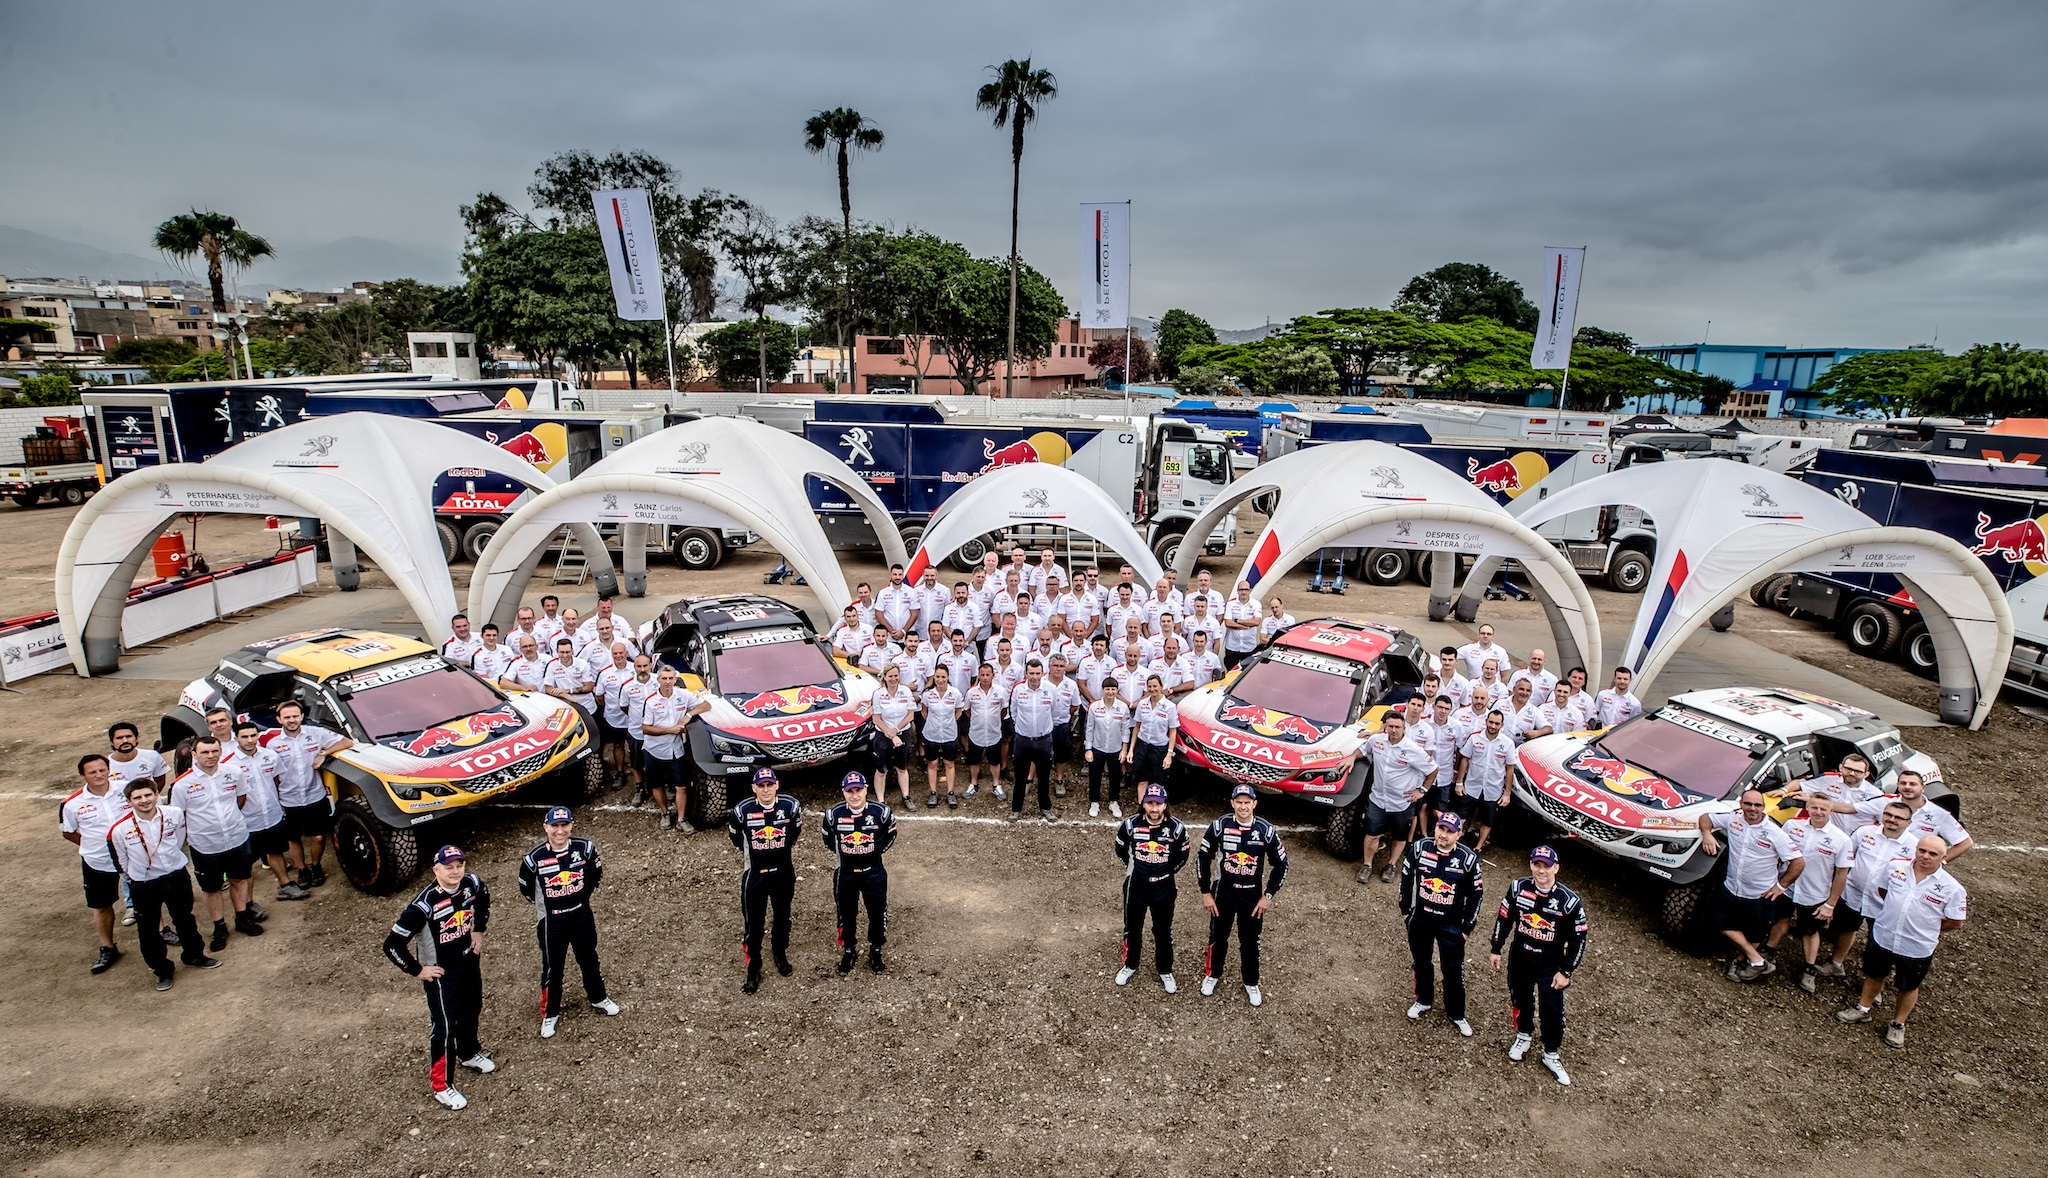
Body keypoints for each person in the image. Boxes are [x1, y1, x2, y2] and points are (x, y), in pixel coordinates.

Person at [383, 845, 494, 1109]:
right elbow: (392, 945)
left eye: (459, 865)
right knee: (444, 1028)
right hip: (442, 975)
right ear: (436, 870)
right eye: (449, 867)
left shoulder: (471, 883)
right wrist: (417, 969)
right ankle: (441, 1085)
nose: (456, 871)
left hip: (468, 962)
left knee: (471, 1010)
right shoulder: (422, 905)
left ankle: (467, 1053)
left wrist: (479, 930)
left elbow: (483, 898)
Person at [1835, 835, 1967, 1049]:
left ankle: (1898, 1024)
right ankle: (1863, 1008)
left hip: (1916, 946)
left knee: (1908, 985)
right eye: (1922, 850)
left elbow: (1955, 921)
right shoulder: (1895, 868)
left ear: (1943, 857)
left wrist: (1926, 928)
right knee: (1874, 975)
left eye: (1933, 854)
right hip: (1884, 935)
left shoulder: (1952, 888)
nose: (1925, 856)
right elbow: (1882, 890)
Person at [517, 807, 621, 1039]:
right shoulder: (533, 859)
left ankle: (598, 997)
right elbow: (526, 889)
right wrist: (548, 908)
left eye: (564, 826)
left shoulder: (585, 848)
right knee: (553, 968)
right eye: (555, 826)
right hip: (552, 921)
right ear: (546, 827)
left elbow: (596, 875)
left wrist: (580, 897)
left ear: (571, 826)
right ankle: (550, 1013)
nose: (560, 831)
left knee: (589, 958)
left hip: (581, 914)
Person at [107, 778, 218, 990]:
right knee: (148, 929)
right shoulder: (120, 830)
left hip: (175, 875)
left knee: (185, 918)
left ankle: (194, 955)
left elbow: (178, 839)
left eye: (148, 795)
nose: (144, 800)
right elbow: (122, 861)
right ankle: (162, 970)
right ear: (129, 801)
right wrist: (137, 877)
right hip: (144, 883)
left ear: (157, 794)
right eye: (137, 797)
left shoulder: (174, 814)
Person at [1489, 845, 1586, 1086]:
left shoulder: (1569, 901)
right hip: (1520, 958)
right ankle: (1523, 1035)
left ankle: (1551, 1053)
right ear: (1531, 865)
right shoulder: (1517, 887)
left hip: (1550, 964)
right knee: (1520, 999)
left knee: (1552, 1011)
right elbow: (1504, 918)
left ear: (1556, 867)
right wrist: (1496, 948)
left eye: (1546, 865)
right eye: (1536, 864)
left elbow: (1579, 938)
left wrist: (1566, 970)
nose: (1541, 870)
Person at [1698, 789, 1805, 981]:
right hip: (1731, 887)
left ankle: (1741, 961)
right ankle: (1757, 960)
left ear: (1763, 808)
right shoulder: (1733, 819)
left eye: (1757, 805)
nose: (1752, 809)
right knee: (1719, 923)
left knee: (1755, 935)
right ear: (1741, 804)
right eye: (1748, 804)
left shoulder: (1774, 833)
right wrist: (1707, 833)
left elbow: (1798, 862)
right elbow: (1706, 817)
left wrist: (1780, 887)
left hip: (1759, 894)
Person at [1197, 784, 1288, 1007]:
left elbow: (1282, 864)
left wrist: (1268, 895)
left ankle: (1251, 982)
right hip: (1223, 892)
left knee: (1250, 941)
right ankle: (1213, 974)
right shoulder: (1219, 826)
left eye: (1247, 802)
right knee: (1218, 937)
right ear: (1232, 803)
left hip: (1252, 895)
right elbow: (1202, 858)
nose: (1243, 806)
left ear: (1255, 804)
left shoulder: (1266, 830)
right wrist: (1206, 892)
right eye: (1239, 802)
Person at [170, 736, 262, 950]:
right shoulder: (182, 785)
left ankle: (242, 918)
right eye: (204, 752)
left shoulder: (234, 773)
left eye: (214, 751)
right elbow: (178, 815)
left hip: (237, 838)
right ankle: (219, 926)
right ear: (194, 754)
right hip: (205, 845)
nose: (210, 756)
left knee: (239, 879)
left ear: (221, 751)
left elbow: (241, 798)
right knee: (211, 889)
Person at [1400, 812, 1485, 1036]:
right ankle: (1423, 1000)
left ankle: (1457, 1014)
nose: (1443, 835)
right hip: (1421, 919)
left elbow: (1477, 895)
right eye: (1441, 829)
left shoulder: (1468, 859)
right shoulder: (1420, 848)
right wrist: (1405, 911)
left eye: (1449, 831)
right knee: (1421, 962)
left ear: (1459, 834)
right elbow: (1406, 877)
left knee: (1453, 970)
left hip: (1451, 924)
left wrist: (1467, 927)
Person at [1821, 800, 1916, 980]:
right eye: (1888, 814)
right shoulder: (1865, 832)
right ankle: (1836, 963)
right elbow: (1847, 858)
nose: (1892, 819)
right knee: (1845, 929)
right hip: (1853, 894)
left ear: (1908, 822)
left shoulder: (1914, 846)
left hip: (1883, 903)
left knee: (1877, 943)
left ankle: (1872, 981)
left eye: (1898, 817)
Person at [728, 768, 802, 994]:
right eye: (761, 786)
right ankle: (753, 966)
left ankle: (779, 952)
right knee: (754, 922)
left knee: (782, 916)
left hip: (783, 871)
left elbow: (794, 834)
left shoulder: (791, 807)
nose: (766, 790)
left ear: (777, 785)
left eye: (770, 785)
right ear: (754, 788)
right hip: (755, 874)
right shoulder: (742, 811)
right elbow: (736, 838)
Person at [1772, 795, 1855, 994]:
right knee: (1779, 920)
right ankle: (1769, 952)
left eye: (1823, 809)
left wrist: (1831, 904)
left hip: (1814, 893)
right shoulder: (1792, 826)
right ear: (1807, 806)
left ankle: (1809, 969)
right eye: (1814, 807)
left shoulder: (1842, 840)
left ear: (1831, 811)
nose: (1818, 812)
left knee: (1809, 931)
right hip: (1787, 886)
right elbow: (1776, 854)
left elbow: (1842, 874)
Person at [267, 699, 352, 889]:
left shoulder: (316, 734)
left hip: (315, 795)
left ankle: (316, 866)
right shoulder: (273, 745)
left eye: (295, 716)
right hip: (289, 799)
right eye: (287, 717)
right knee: (293, 838)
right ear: (279, 719)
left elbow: (347, 741)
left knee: (318, 837)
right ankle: (302, 870)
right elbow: (272, 776)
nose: (292, 720)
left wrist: (325, 753)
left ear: (302, 717)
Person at [1115, 783, 1190, 991]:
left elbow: (1183, 855)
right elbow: (1120, 849)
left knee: (1163, 930)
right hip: (1135, 885)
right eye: (1150, 803)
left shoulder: (1176, 828)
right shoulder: (1130, 824)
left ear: (1165, 805)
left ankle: (1165, 970)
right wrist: (1136, 870)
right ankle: (1130, 965)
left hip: (1164, 886)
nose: (1154, 809)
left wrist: (1165, 871)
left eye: (1159, 804)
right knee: (1132, 928)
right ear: (1143, 803)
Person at [223, 719, 306, 901]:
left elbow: (276, 781)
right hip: (246, 822)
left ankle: (285, 885)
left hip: (273, 816)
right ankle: (248, 903)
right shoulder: (227, 765)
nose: (250, 740)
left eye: (253, 735)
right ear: (236, 739)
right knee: (247, 864)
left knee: (275, 851)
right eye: (244, 737)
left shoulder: (270, 755)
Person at [823, 771, 898, 974]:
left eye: (858, 790)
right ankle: (848, 950)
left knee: (877, 911)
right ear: (844, 792)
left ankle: (876, 949)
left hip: (873, 871)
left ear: (866, 790)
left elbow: (891, 834)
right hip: (845, 872)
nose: (855, 795)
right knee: (846, 913)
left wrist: (872, 852)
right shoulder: (833, 814)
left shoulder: (881, 812)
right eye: (850, 791)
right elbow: (829, 840)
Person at [61, 753, 130, 975]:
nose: (99, 775)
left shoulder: (126, 789)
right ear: (82, 776)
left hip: (133, 855)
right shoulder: (71, 804)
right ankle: (108, 947)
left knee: (147, 897)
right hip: (97, 861)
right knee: (102, 905)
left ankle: (160, 931)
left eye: (102, 770)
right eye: (92, 772)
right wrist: (93, 845)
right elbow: (69, 833)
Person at [1355, 712, 1438, 885]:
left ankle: (1391, 865)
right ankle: (1367, 865)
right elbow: (1363, 750)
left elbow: (1433, 769)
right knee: (1371, 835)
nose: (1393, 730)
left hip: (1402, 803)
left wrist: (1422, 790)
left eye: (1397, 727)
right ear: (1385, 726)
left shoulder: (1413, 750)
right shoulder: (1376, 741)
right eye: (1390, 726)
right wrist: (1351, 757)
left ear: (1404, 728)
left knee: (1399, 837)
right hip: (1378, 799)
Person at [639, 666, 709, 832]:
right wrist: (668, 730)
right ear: (658, 680)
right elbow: (645, 728)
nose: (668, 682)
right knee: (656, 785)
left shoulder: (683, 695)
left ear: (675, 679)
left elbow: (706, 705)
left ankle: (681, 818)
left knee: (681, 786)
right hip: (654, 749)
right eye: (664, 678)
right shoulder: (650, 701)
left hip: (676, 749)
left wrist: (688, 716)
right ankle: (664, 813)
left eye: (671, 678)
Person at [1853, 770, 1973, 861]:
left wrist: (1939, 862)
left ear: (1923, 787)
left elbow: (1965, 842)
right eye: (1903, 783)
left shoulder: (1939, 814)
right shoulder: (1885, 801)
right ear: (1898, 786)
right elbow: (1849, 808)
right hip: (1876, 859)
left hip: (1906, 871)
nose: (1907, 787)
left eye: (1912, 784)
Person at [1453, 709, 1516, 851]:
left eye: (1497, 723)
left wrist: (1507, 794)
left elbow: (1510, 769)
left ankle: (1478, 848)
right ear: (1486, 721)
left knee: (1488, 821)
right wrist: (1459, 782)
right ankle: (1453, 844)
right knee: (1461, 816)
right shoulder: (1475, 738)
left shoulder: (1508, 743)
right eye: (1491, 722)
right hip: (1471, 785)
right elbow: (1465, 760)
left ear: (1502, 725)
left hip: (1493, 789)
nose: (1493, 726)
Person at [1009, 659, 1060, 822]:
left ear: (1043, 673)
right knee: (1020, 777)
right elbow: (1014, 713)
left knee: (1044, 777)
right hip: (1023, 741)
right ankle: (1016, 809)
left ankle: (1045, 808)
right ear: (1026, 674)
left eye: (1038, 673)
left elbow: (1055, 713)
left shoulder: (1051, 690)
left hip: (1044, 741)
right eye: (1031, 673)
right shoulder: (1018, 690)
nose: (1034, 677)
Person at [869, 663, 918, 809]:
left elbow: (910, 715)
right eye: (890, 676)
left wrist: (896, 730)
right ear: (884, 677)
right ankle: (881, 802)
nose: (893, 679)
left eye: (896, 676)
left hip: (902, 732)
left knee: (902, 768)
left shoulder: (906, 691)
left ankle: (906, 797)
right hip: (883, 735)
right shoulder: (878, 694)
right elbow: (876, 719)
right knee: (882, 769)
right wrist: (891, 735)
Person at [1086, 678, 1134, 819]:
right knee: (1095, 775)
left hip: (1116, 748)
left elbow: (1126, 729)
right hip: (1098, 747)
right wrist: (1088, 749)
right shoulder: (1095, 707)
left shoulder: (1123, 707)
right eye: (1107, 689)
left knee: (1115, 776)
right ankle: (1094, 802)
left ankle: (1113, 801)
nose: (1110, 692)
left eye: (1113, 689)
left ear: (1117, 690)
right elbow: (1089, 728)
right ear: (1103, 690)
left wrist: (1124, 749)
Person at [1125, 675, 1179, 801]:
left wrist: (1169, 754)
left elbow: (1173, 731)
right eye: (1149, 686)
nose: (1152, 689)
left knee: (1158, 782)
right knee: (1142, 780)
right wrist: (1131, 750)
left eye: (1155, 686)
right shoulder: (1142, 704)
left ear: (1161, 686)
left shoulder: (1169, 707)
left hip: (1159, 748)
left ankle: (1156, 807)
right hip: (1142, 746)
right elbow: (1137, 727)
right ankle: (1142, 808)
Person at [920, 664, 965, 808]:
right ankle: (933, 793)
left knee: (949, 763)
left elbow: (958, 712)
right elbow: (924, 712)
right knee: (932, 764)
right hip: (931, 734)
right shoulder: (928, 694)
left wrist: (948, 723)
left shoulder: (955, 693)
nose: (940, 680)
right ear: (934, 677)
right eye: (937, 677)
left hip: (949, 734)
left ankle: (950, 793)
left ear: (948, 677)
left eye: (943, 677)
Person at [961, 663, 1007, 801]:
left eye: (988, 675)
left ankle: (996, 785)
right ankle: (973, 784)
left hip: (994, 733)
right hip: (976, 733)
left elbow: (1003, 711)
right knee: (974, 760)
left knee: (994, 761)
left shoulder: (1001, 691)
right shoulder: (971, 692)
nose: (985, 678)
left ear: (993, 675)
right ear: (979, 676)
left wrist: (993, 721)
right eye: (982, 675)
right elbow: (967, 711)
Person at [105, 721, 168, 792]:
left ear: (136, 738)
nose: (125, 741)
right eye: (119, 738)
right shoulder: (104, 764)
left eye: (129, 736)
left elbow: (160, 782)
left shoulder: (152, 756)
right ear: (111, 742)